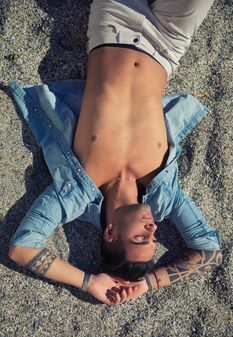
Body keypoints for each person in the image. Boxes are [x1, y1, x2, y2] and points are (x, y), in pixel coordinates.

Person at [9, 0, 222, 305]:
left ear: (110, 233)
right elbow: (210, 252)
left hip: (114, 27)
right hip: (168, 46)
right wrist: (149, 283)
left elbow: (22, 248)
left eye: (140, 237)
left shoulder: (74, 194)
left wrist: (88, 282)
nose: (153, 229)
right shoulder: (166, 197)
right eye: (153, 238)